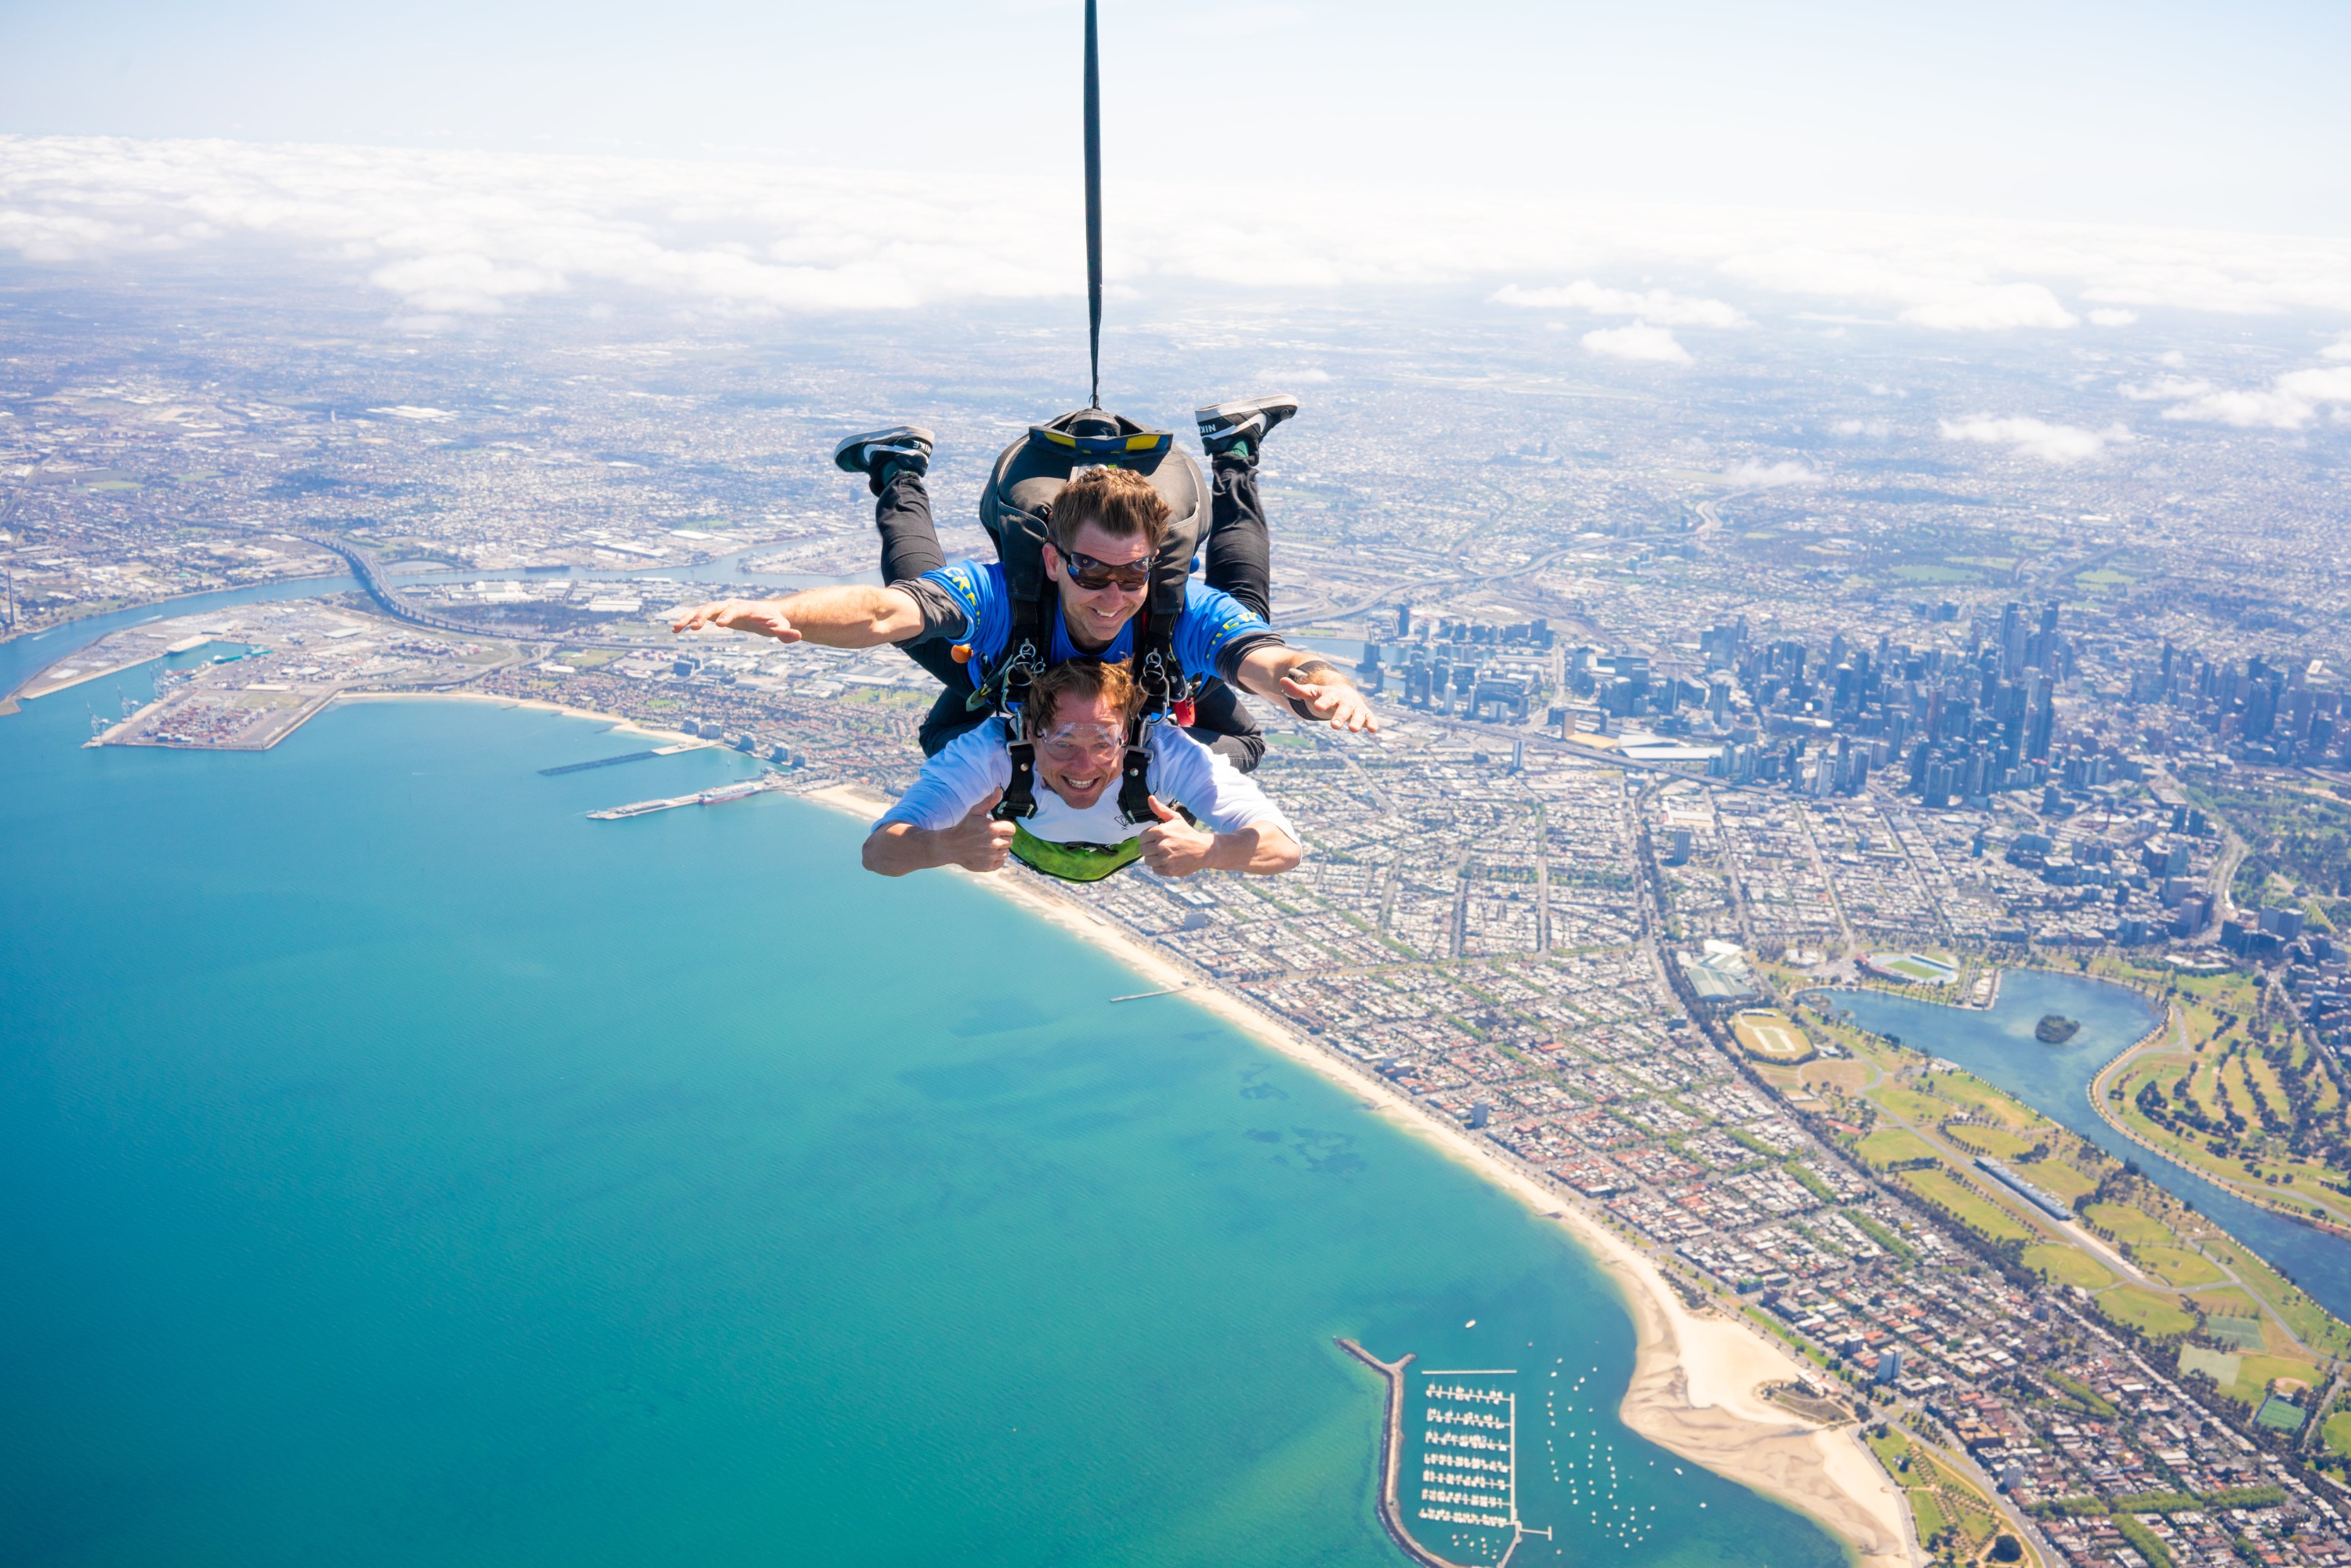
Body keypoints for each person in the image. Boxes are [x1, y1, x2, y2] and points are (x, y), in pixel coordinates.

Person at [670, 397, 1373, 763]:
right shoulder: (1008, 594)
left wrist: (1318, 687)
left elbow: (1271, 661)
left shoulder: (1177, 606)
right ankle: (896, 467)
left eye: (1133, 572)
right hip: (1012, 681)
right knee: (923, 600)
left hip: (1157, 698)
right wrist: (784, 611)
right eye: (1090, 569)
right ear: (1051, 561)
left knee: (1245, 628)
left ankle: (1234, 454)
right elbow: (882, 613)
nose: (1112, 592)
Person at [862, 656, 1301, 883]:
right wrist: (942, 847)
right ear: (1030, 733)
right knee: (1247, 746)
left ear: (1128, 735)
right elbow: (877, 853)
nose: (1083, 765)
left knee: (941, 731)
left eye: (1102, 742)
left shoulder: (1164, 752)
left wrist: (1211, 850)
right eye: (1064, 741)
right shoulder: (992, 752)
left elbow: (1285, 848)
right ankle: (1195, 672)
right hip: (1030, 753)